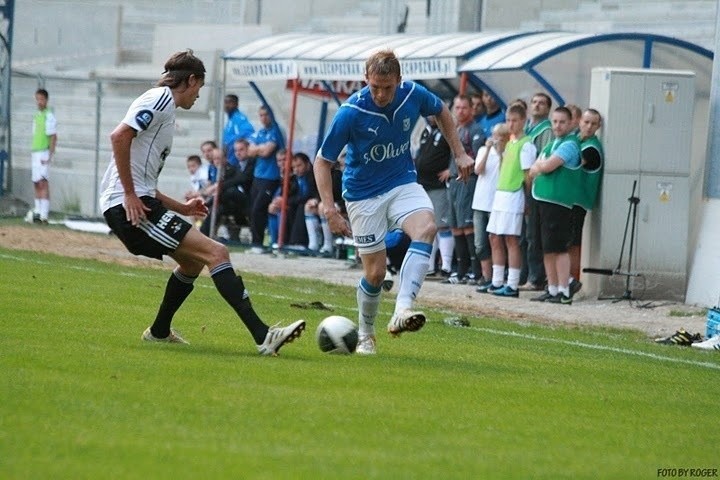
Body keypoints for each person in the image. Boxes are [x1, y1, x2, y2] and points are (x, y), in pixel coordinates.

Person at [99, 49, 304, 355]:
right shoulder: (159, 99)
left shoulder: (163, 107)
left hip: (136, 200)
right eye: (200, 87)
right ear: (191, 80)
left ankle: (158, 332)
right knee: (216, 251)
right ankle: (264, 336)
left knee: (193, 261)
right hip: (127, 205)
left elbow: (144, 182)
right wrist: (128, 194)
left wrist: (181, 208)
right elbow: (119, 137)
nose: (198, 95)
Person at [314, 49, 474, 355]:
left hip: (402, 182)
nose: (381, 94)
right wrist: (330, 209)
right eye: (374, 86)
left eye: (387, 87)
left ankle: (402, 309)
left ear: (399, 80)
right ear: (366, 80)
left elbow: (441, 110)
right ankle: (365, 333)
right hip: (362, 194)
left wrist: (459, 152)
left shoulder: (413, 93)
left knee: (427, 227)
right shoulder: (350, 112)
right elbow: (322, 162)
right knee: (374, 274)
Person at [480, 105, 536, 297]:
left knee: (511, 240)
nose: (511, 124)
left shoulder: (526, 144)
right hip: (501, 194)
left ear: (523, 121)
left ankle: (512, 284)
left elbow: (528, 176)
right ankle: (496, 281)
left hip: (514, 194)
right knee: (494, 237)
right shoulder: (510, 143)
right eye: (508, 120)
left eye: (514, 120)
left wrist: (528, 200)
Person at [528, 106, 581, 305]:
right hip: (543, 199)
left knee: (558, 247)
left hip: (558, 202)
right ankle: (552, 287)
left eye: (562, 122)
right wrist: (539, 166)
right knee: (546, 247)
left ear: (570, 123)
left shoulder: (569, 144)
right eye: (555, 121)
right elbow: (535, 168)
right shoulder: (552, 144)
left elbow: (547, 166)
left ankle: (564, 289)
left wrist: (540, 166)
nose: (557, 125)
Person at [444, 94, 485, 285]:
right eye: (457, 108)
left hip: (467, 182)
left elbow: (475, 158)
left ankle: (474, 271)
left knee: (467, 226)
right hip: (453, 182)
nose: (460, 111)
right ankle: (460, 270)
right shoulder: (455, 129)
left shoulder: (475, 130)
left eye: (464, 108)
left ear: (471, 109)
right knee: (455, 226)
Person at [520, 92, 554, 291]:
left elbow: (541, 158)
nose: (537, 105)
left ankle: (536, 277)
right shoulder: (527, 128)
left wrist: (530, 188)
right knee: (524, 236)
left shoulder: (546, 130)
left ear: (548, 108)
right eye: (534, 102)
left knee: (533, 235)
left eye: (542, 103)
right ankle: (524, 274)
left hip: (534, 186)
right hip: (521, 184)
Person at [568, 108, 604, 295]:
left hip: (578, 201)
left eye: (593, 124)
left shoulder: (591, 148)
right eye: (586, 122)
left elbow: (571, 164)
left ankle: (572, 279)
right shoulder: (577, 141)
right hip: (570, 200)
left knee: (573, 242)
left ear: (598, 127)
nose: (589, 127)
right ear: (580, 121)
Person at [413, 115, 453, 277]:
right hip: (423, 185)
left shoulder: (447, 132)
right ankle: (428, 266)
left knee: (442, 225)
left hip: (438, 186)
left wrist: (452, 170)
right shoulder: (426, 131)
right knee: (427, 226)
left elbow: (457, 151)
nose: (430, 117)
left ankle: (447, 266)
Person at [471, 122, 508, 293]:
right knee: (480, 243)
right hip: (480, 202)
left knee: (497, 241)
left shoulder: (507, 153)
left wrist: (501, 152)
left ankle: (497, 277)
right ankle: (486, 276)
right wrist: (486, 150)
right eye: (495, 135)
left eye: (500, 136)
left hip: (497, 203)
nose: (496, 139)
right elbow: (478, 169)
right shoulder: (482, 151)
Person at [248, 105, 283, 253]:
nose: (263, 118)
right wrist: (259, 149)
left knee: (259, 209)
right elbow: (249, 151)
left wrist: (258, 149)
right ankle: (255, 242)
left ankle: (259, 243)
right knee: (253, 209)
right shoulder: (261, 131)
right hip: (258, 176)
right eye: (261, 115)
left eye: (266, 115)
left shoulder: (276, 131)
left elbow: (267, 152)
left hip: (271, 177)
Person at [26, 88, 57, 224]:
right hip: (35, 151)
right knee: (36, 182)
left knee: (43, 182)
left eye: (41, 99)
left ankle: (44, 214)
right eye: (37, 99)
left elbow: (53, 137)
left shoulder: (49, 116)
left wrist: (50, 154)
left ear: (46, 100)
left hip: (43, 152)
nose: (39, 102)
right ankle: (37, 211)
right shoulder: (37, 115)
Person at [223, 94, 255, 166]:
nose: (227, 105)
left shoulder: (239, 118)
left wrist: (228, 143)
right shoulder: (230, 120)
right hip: (229, 160)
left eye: (230, 102)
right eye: (225, 102)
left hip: (236, 162)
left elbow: (248, 132)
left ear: (236, 104)